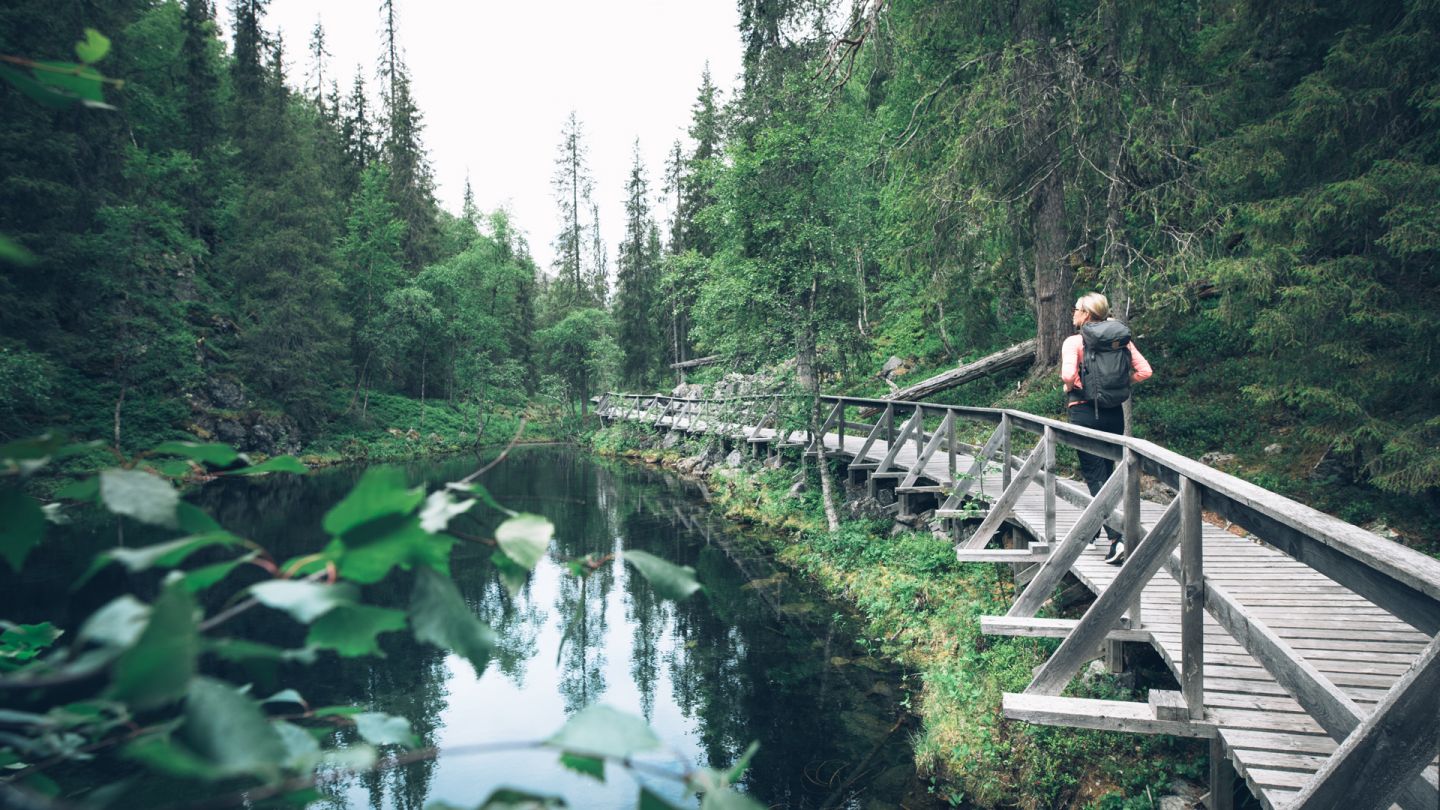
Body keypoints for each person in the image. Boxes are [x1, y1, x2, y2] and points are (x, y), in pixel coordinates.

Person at [1060, 292, 1152, 565]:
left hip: (1083, 411)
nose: (1072, 313)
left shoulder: (1075, 342)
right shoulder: (1119, 340)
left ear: (1086, 314)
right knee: (1107, 474)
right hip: (1113, 414)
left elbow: (1067, 375)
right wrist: (1120, 386)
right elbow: (1145, 371)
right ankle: (1096, 527)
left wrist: (1076, 385)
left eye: (1075, 309)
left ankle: (1117, 538)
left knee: (1094, 475)